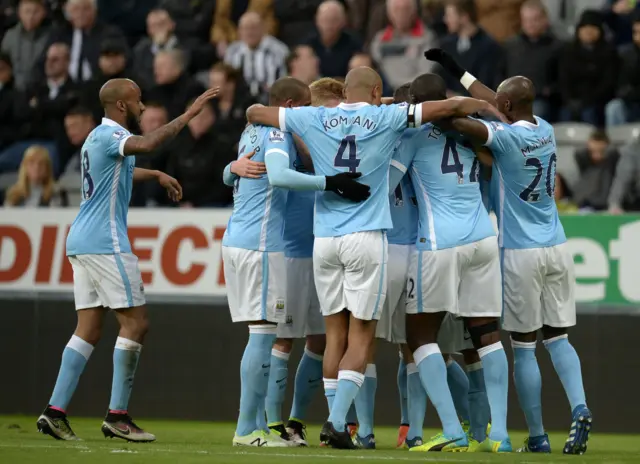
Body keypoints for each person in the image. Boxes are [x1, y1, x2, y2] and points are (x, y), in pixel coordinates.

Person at [245, 66, 502, 449]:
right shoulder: (390, 118)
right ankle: (350, 424)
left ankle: (351, 427)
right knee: (370, 339)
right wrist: (489, 106)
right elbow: (451, 106)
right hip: (371, 239)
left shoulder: (314, 116)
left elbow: (254, 112)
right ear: (377, 90)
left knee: (335, 335)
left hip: (325, 240)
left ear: (345, 92)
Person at [426, 47, 592, 454]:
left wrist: (436, 103)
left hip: (521, 252)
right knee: (560, 338)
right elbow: (490, 99)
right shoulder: (546, 129)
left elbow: (465, 121)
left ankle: (536, 436)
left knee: (523, 347)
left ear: (504, 106)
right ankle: (580, 407)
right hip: (556, 245)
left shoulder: (505, 137)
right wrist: (456, 69)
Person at [36, 78, 217, 442]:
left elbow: (119, 173)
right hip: (106, 241)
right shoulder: (112, 136)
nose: (144, 107)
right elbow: (149, 144)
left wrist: (159, 175)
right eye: (138, 101)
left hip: (81, 241)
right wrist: (188, 114)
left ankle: (54, 411)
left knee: (88, 328)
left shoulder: (96, 139)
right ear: (121, 106)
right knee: (136, 323)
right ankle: (118, 416)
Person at [221, 76, 370, 448]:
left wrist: (230, 169)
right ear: (292, 108)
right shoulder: (277, 134)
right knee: (271, 338)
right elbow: (276, 174)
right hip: (275, 248)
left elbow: (248, 165)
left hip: (297, 247)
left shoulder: (265, 134)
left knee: (303, 338)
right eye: (310, 110)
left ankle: (283, 422)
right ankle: (260, 426)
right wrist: (331, 182)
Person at [384, 72, 503, 453]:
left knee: (419, 335)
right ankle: (498, 434)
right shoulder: (472, 131)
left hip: (439, 243)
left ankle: (451, 427)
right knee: (487, 336)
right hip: (484, 238)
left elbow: (385, 185)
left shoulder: (414, 135)